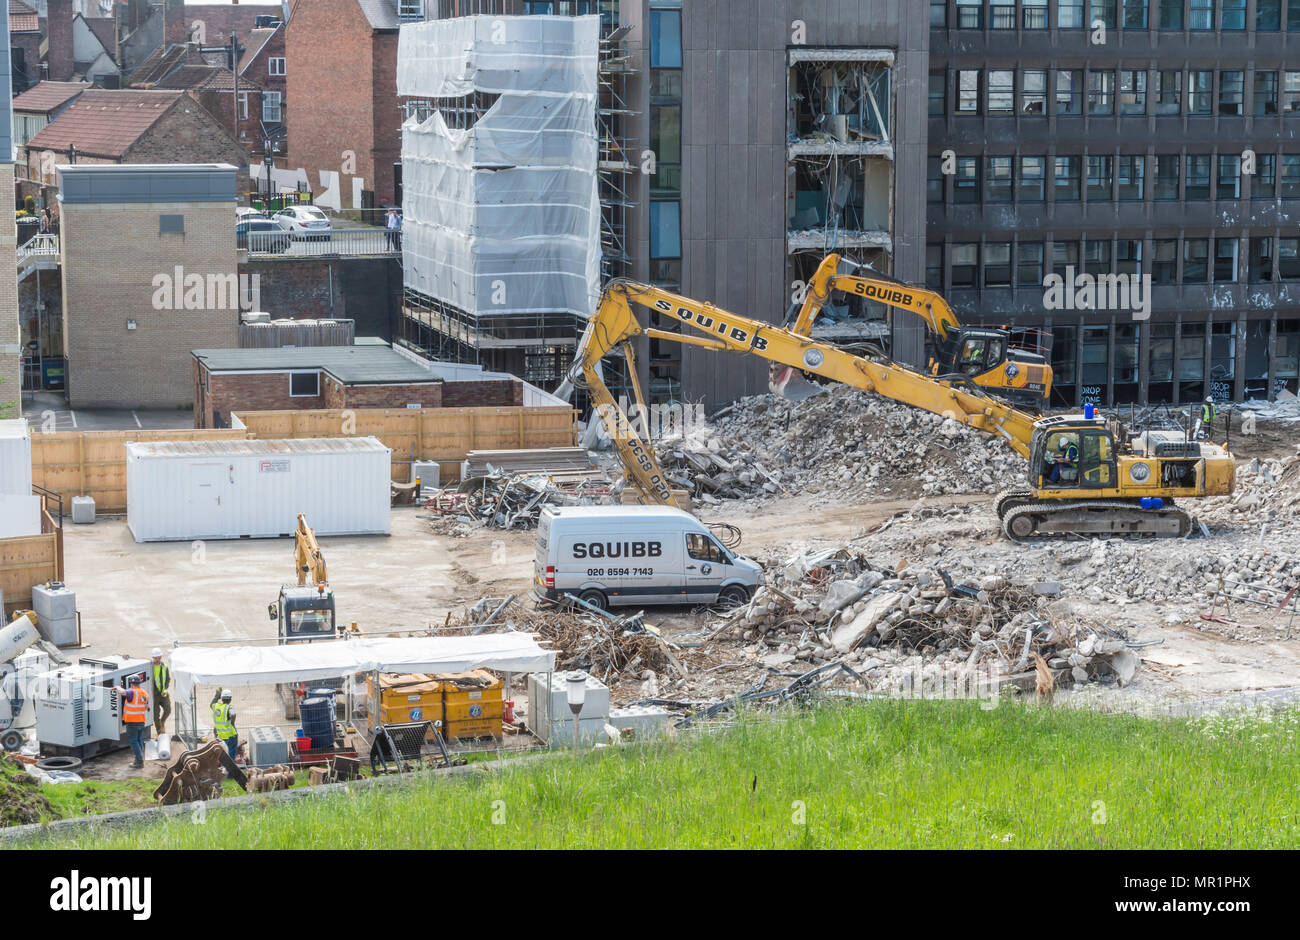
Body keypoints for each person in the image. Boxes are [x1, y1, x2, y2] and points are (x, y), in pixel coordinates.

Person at [115, 674, 150, 769]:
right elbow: (146, 707)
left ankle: (139, 762)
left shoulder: (132, 692)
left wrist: (117, 687)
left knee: (134, 741)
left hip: (132, 722)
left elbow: (122, 692)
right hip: (141, 721)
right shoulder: (144, 693)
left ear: (131, 684)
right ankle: (138, 760)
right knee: (138, 740)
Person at [211, 688, 239, 761]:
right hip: (231, 735)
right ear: (230, 699)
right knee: (231, 753)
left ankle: (224, 766)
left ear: (222, 698)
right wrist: (232, 723)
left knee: (224, 753)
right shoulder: (228, 707)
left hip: (221, 736)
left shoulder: (216, 706)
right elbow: (233, 714)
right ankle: (231, 767)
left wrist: (217, 695)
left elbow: (212, 703)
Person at [150, 648, 171, 735]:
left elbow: (167, 679)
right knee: (155, 715)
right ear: (153, 657)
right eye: (155, 658)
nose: (157, 659)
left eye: (159, 657)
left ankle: (162, 722)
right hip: (154, 695)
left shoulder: (164, 667)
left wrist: (165, 689)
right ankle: (159, 731)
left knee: (168, 709)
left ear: (161, 657)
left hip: (163, 693)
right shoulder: (149, 667)